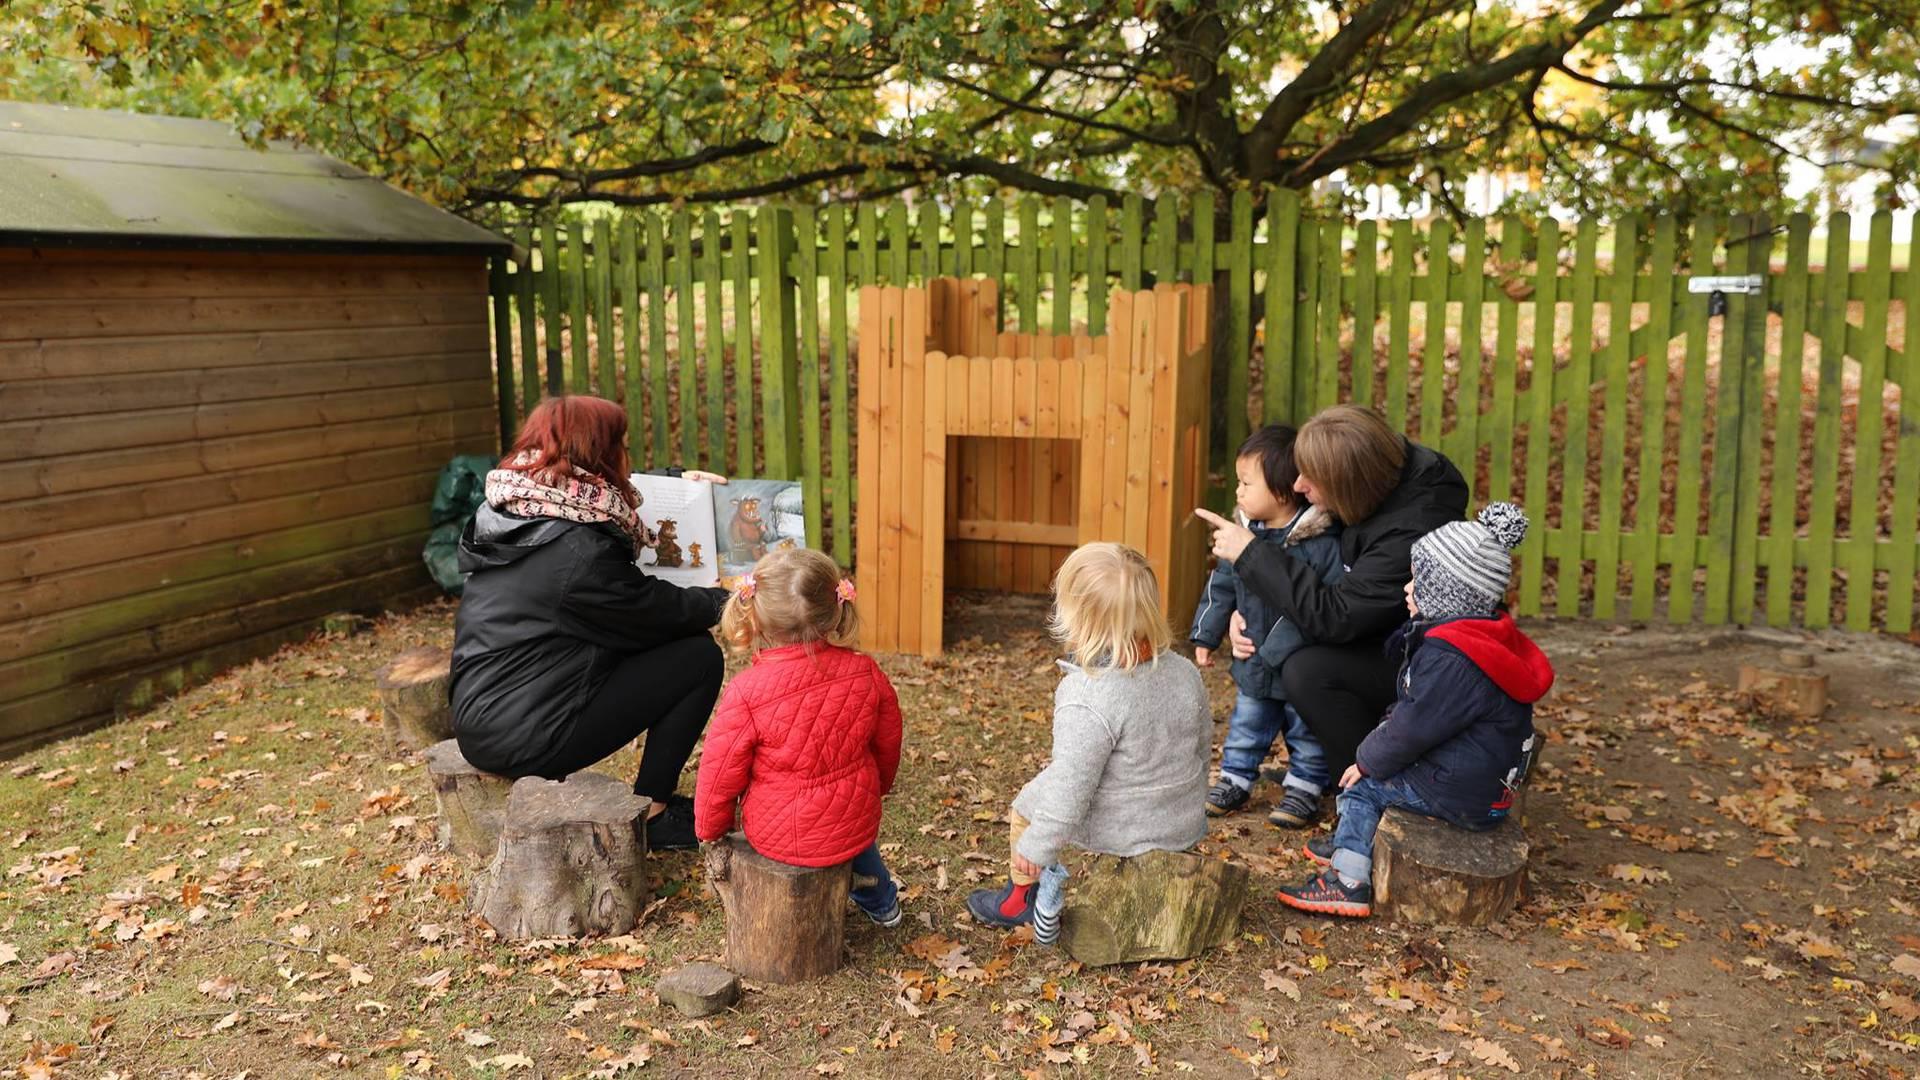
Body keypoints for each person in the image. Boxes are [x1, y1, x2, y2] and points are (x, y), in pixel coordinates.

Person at [450, 395, 729, 851]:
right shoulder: (579, 552)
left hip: (488, 708)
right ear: (600, 453)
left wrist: (683, 484)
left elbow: (616, 498)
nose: (628, 454)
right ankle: (655, 816)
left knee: (663, 647)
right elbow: (656, 611)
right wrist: (729, 600)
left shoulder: (520, 502)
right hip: (522, 731)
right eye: (621, 444)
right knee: (697, 657)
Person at [1277, 503, 1554, 917]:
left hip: (1458, 790)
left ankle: (1347, 879)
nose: (1406, 589)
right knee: (1381, 773)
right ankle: (1354, 843)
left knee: (1360, 789)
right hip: (1484, 786)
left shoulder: (1452, 658)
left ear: (1447, 594)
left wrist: (1367, 761)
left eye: (1418, 581)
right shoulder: (1478, 640)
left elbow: (1413, 726)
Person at [1195, 404, 1468, 779]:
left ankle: (1369, 784)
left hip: (1426, 665)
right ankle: (1323, 770)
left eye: (1312, 477)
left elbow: (1336, 616)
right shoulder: (1371, 475)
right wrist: (1249, 608)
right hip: (1385, 634)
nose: (1297, 485)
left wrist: (1250, 556)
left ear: (1347, 483)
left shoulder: (1409, 529)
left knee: (1308, 671)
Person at [966, 543, 1212, 928]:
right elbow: (1201, 746)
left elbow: (1072, 785)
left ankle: (1019, 900)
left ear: (1077, 619)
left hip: (1126, 826)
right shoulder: (1182, 671)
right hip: (1180, 818)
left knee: (1027, 805)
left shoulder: (1088, 695)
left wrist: (1038, 845)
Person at [693, 547, 905, 927]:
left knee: (819, 832)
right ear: (834, 609)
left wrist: (710, 829)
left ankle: (792, 920)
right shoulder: (865, 671)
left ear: (756, 618)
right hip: (855, 816)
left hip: (779, 834)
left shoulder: (748, 691)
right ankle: (883, 902)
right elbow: (888, 740)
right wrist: (878, 786)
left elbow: (719, 773)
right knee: (856, 844)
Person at [1190, 424, 1344, 827]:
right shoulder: (1242, 536)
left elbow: (1324, 607)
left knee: (1306, 731)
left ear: (1280, 490)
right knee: (1247, 724)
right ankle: (1235, 780)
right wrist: (1207, 633)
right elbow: (1220, 585)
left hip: (1301, 667)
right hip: (1255, 664)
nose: (1237, 492)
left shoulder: (1319, 544)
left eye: (1245, 483)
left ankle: (1305, 788)